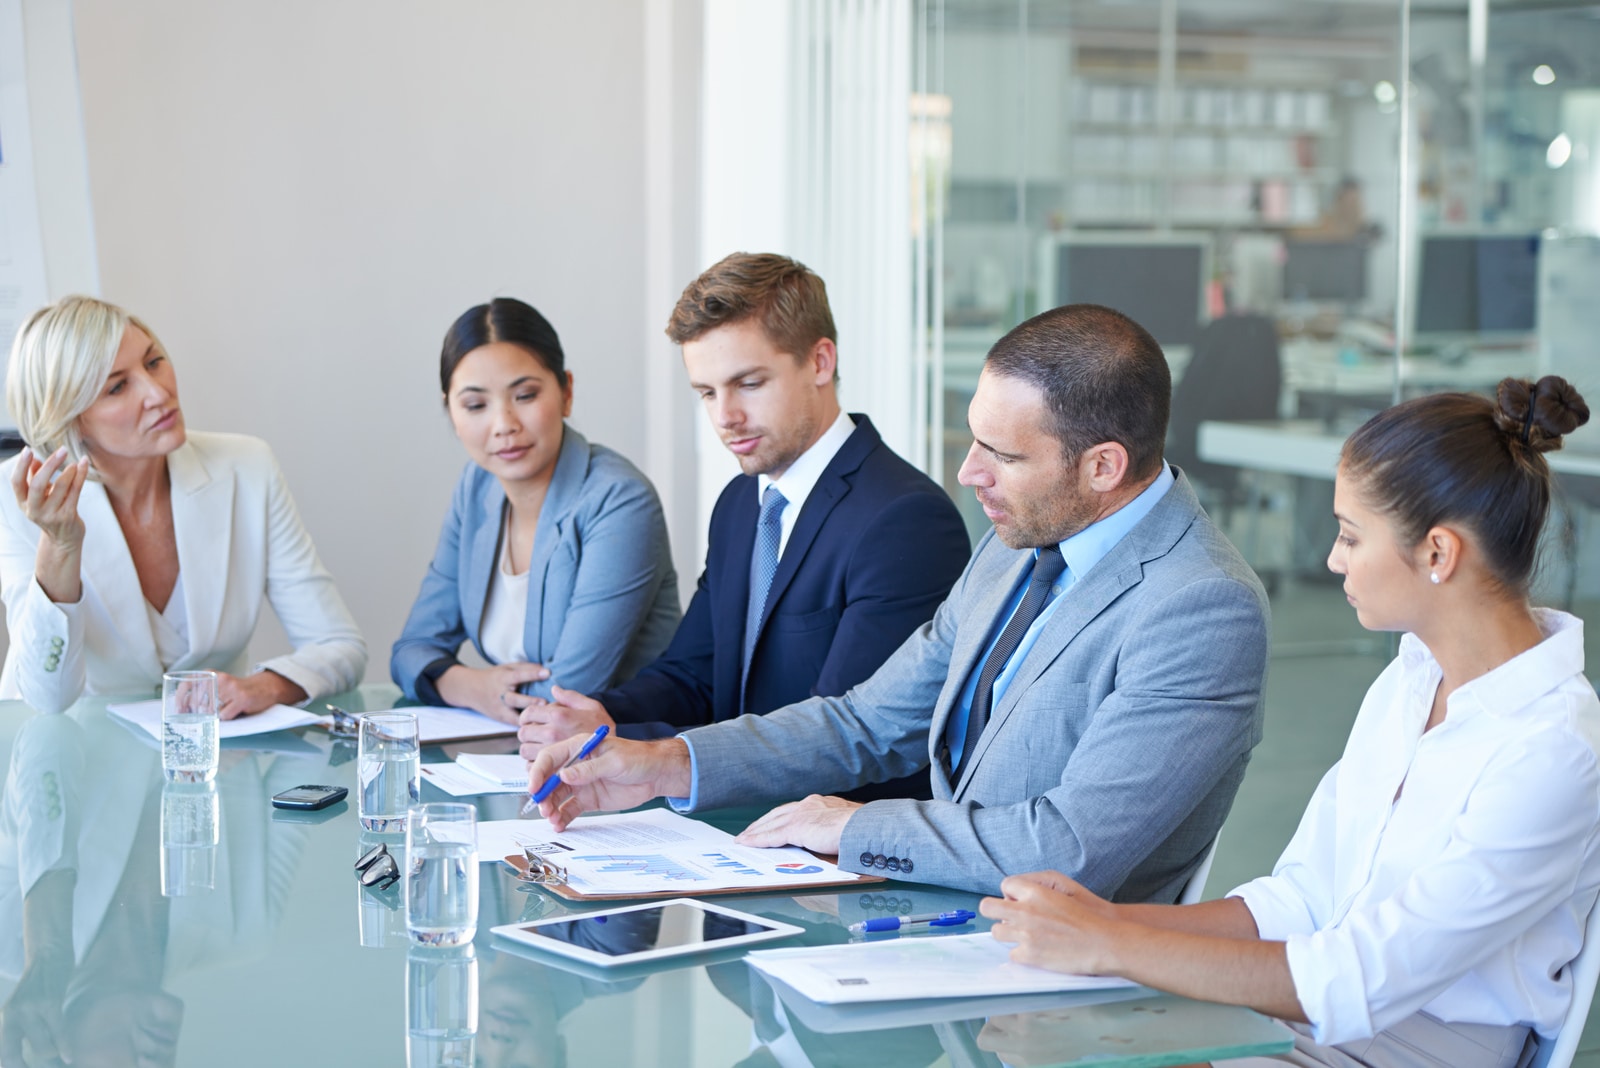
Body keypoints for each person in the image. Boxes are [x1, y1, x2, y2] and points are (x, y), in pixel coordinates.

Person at [528, 302, 1271, 898]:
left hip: (1062, 980)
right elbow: (868, 720)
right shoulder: (1017, 542)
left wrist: (852, 826)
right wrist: (665, 764)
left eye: (1002, 455)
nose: (968, 471)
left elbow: (1067, 850)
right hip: (937, 923)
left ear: (1104, 465)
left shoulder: (1201, 606)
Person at [980, 377, 1597, 1068]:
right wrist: (1102, 918)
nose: (1333, 559)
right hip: (1310, 1021)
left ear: (1437, 553)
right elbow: (1300, 900)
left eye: (1351, 536)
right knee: (1028, 1033)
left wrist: (1108, 945)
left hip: (1406, 1048)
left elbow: (1358, 978)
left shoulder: (1554, 751)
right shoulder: (1410, 680)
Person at [516, 253, 970, 802]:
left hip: (837, 852)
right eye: (706, 392)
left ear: (820, 362)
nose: (724, 416)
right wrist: (605, 720)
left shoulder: (905, 519)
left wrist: (649, 756)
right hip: (741, 829)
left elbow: (843, 739)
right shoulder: (742, 502)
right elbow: (695, 673)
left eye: (748, 384)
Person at [0, 296, 366, 717]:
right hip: (76, 760)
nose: (159, 393)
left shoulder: (246, 468)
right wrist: (60, 547)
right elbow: (47, 698)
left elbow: (341, 645)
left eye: (154, 362)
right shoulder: (20, 501)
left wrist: (263, 687)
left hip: (214, 762)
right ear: (71, 420)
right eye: (118, 386)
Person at [390, 297, 680, 724]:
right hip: (509, 756)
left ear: (566, 392)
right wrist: (472, 686)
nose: (504, 423)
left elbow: (567, 694)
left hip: (620, 763)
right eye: (475, 405)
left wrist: (470, 686)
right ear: (451, 412)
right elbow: (411, 651)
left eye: (524, 395)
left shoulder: (619, 500)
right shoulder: (477, 489)